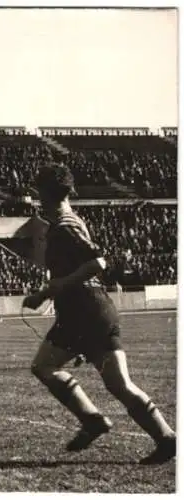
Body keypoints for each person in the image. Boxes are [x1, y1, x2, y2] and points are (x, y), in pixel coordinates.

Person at [22, 163, 176, 465]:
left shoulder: (66, 226)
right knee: (116, 384)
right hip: (88, 310)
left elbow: (97, 263)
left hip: (85, 310)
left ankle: (95, 420)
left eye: (38, 192)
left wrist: (53, 288)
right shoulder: (66, 222)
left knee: (46, 367)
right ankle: (165, 438)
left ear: (45, 193)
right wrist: (45, 293)